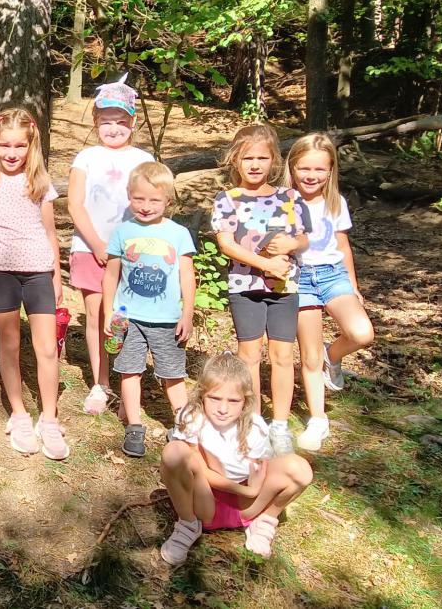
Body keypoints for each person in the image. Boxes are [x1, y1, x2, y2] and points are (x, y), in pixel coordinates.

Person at [0, 108, 68, 460]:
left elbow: (50, 233)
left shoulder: (39, 183)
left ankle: (49, 419)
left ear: (31, 145)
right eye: (5, 145)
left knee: (47, 348)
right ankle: (19, 414)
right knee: (9, 345)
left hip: (39, 272)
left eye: (19, 146)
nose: (12, 153)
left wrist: (56, 277)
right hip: (1, 273)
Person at [211, 125, 311, 456]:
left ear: (274, 161)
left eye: (262, 158)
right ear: (234, 160)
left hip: (284, 287)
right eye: (247, 158)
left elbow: (304, 237)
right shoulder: (227, 200)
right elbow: (226, 244)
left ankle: (279, 424)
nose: (254, 165)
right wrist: (265, 263)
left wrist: (292, 244)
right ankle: (252, 422)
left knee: (283, 356)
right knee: (249, 355)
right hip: (245, 287)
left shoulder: (290, 197)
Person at [159, 353, 313, 564]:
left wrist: (250, 491)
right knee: (173, 451)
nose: (223, 409)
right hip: (204, 502)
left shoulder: (255, 426)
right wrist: (246, 490)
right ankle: (187, 525)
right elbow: (198, 468)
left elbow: (259, 473)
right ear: (202, 394)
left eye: (233, 401)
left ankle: (265, 521)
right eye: (215, 398)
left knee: (300, 469)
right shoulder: (192, 417)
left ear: (245, 401)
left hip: (245, 508)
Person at [66, 75, 154, 416]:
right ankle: (100, 383)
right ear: (95, 121)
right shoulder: (86, 157)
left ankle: (129, 380)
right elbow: (75, 205)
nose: (113, 128)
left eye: (120, 121)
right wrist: (98, 244)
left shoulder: (143, 159)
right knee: (96, 313)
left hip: (134, 252)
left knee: (126, 315)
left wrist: (132, 247)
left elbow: (151, 205)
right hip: (90, 248)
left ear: (133, 121)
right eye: (106, 121)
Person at [101, 162, 196, 458]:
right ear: (129, 196)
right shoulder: (122, 232)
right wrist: (109, 313)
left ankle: (183, 425)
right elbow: (111, 275)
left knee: (173, 373)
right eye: (138, 198)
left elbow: (187, 276)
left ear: (168, 200)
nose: (145, 206)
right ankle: (134, 425)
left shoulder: (178, 234)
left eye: (154, 200)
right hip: (128, 318)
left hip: (168, 320)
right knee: (130, 371)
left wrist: (187, 313)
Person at [286, 134, 374, 451]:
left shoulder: (335, 202)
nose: (312, 176)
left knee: (361, 333)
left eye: (320, 169)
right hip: (298, 279)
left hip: (333, 274)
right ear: (292, 167)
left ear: (331, 170)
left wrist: (354, 285)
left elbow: (343, 246)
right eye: (305, 168)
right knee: (309, 356)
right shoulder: (282, 202)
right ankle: (318, 419)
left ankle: (332, 355)